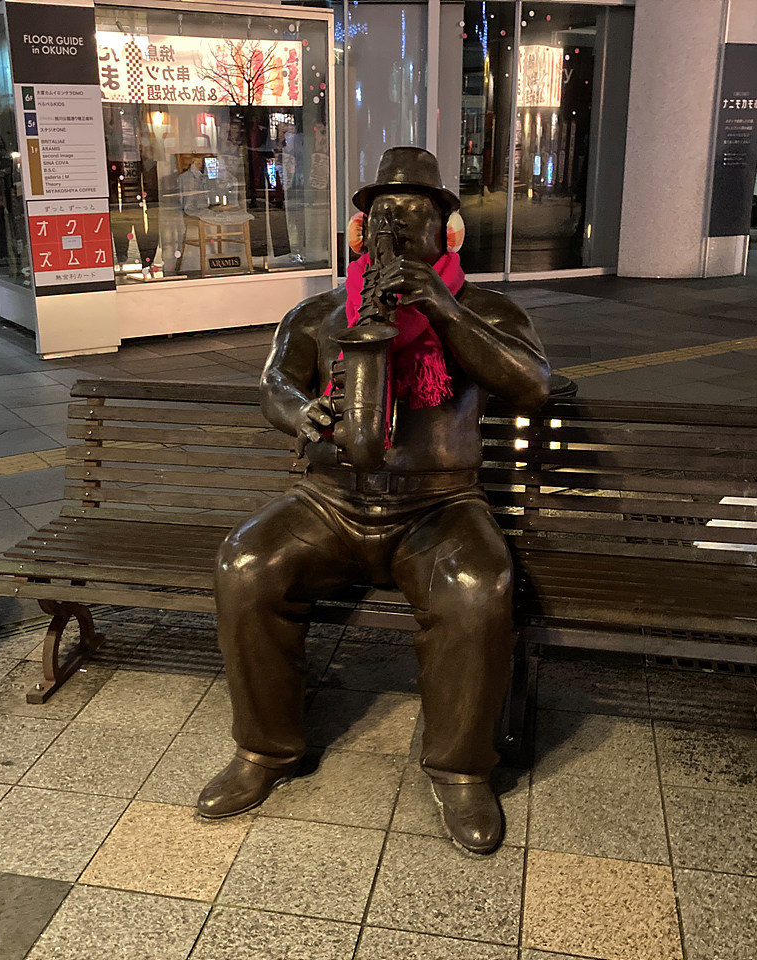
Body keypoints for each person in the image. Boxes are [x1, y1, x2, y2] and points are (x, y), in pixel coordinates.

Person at [196, 146, 551, 854]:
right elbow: (274, 384)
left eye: (413, 213)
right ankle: (264, 748)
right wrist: (301, 412)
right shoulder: (320, 312)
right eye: (383, 214)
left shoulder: (485, 309)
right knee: (247, 564)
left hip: (439, 506)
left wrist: (443, 309)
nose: (395, 226)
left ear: (447, 230)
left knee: (478, 585)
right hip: (329, 501)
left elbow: (532, 384)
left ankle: (460, 769)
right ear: (360, 232)